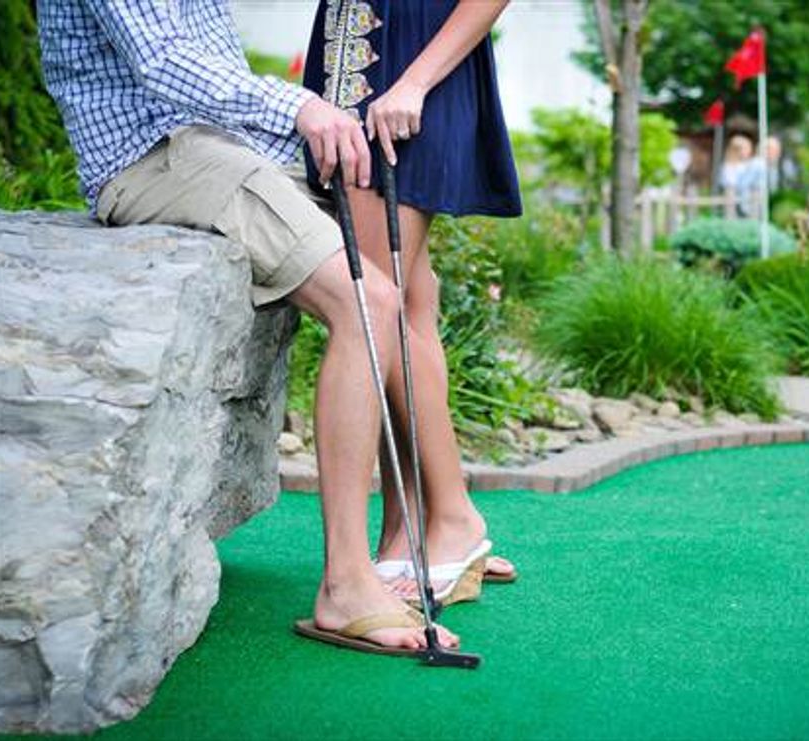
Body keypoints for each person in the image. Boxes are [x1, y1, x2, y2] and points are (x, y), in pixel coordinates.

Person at [37, 0, 463, 655]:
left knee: (400, 263)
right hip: (154, 157)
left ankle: (449, 523)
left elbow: (212, 65)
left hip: (224, 146)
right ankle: (346, 585)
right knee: (368, 303)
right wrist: (301, 107)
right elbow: (164, 61)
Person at [301, 0, 521, 600]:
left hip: (403, 73)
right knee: (406, 304)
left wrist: (416, 82)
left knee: (375, 305)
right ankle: (411, 530)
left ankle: (453, 518)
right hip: (361, 65)